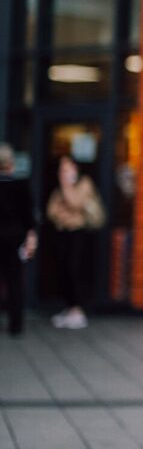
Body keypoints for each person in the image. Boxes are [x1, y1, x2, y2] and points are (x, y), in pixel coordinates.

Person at [46, 155, 105, 330]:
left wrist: (66, 186)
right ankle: (70, 308)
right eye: (61, 169)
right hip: (63, 233)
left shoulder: (84, 183)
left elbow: (74, 202)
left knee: (74, 270)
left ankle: (78, 311)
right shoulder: (59, 189)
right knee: (62, 270)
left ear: (75, 168)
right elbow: (52, 211)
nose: (63, 172)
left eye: (67, 168)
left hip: (78, 234)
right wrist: (66, 211)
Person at [0, 143, 37, 337]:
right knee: (14, 281)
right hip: (14, 239)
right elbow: (29, 216)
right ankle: (16, 325)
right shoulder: (21, 185)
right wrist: (31, 237)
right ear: (10, 163)